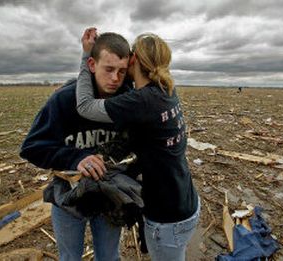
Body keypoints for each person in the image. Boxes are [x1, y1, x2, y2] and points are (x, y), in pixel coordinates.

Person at [76, 28, 200, 261]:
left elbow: (84, 106)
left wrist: (86, 57)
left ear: (133, 60)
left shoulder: (141, 100)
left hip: (167, 217)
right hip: (186, 201)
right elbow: (143, 138)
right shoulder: (167, 89)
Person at [20, 30, 132, 261]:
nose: (114, 79)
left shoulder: (128, 101)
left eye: (121, 72)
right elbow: (32, 147)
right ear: (91, 64)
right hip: (68, 198)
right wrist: (75, 159)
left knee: (109, 256)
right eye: (108, 69)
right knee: (70, 257)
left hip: (109, 196)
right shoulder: (64, 100)